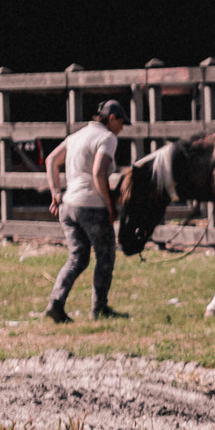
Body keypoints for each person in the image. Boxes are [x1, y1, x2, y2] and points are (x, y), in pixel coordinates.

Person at [45, 97, 130, 323]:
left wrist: (56, 191)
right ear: (112, 118)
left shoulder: (77, 136)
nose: (122, 128)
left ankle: (56, 302)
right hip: (91, 205)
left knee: (78, 257)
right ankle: (99, 308)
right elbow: (98, 172)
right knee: (105, 256)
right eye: (121, 122)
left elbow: (51, 159)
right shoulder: (107, 138)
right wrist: (110, 205)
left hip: (69, 206)